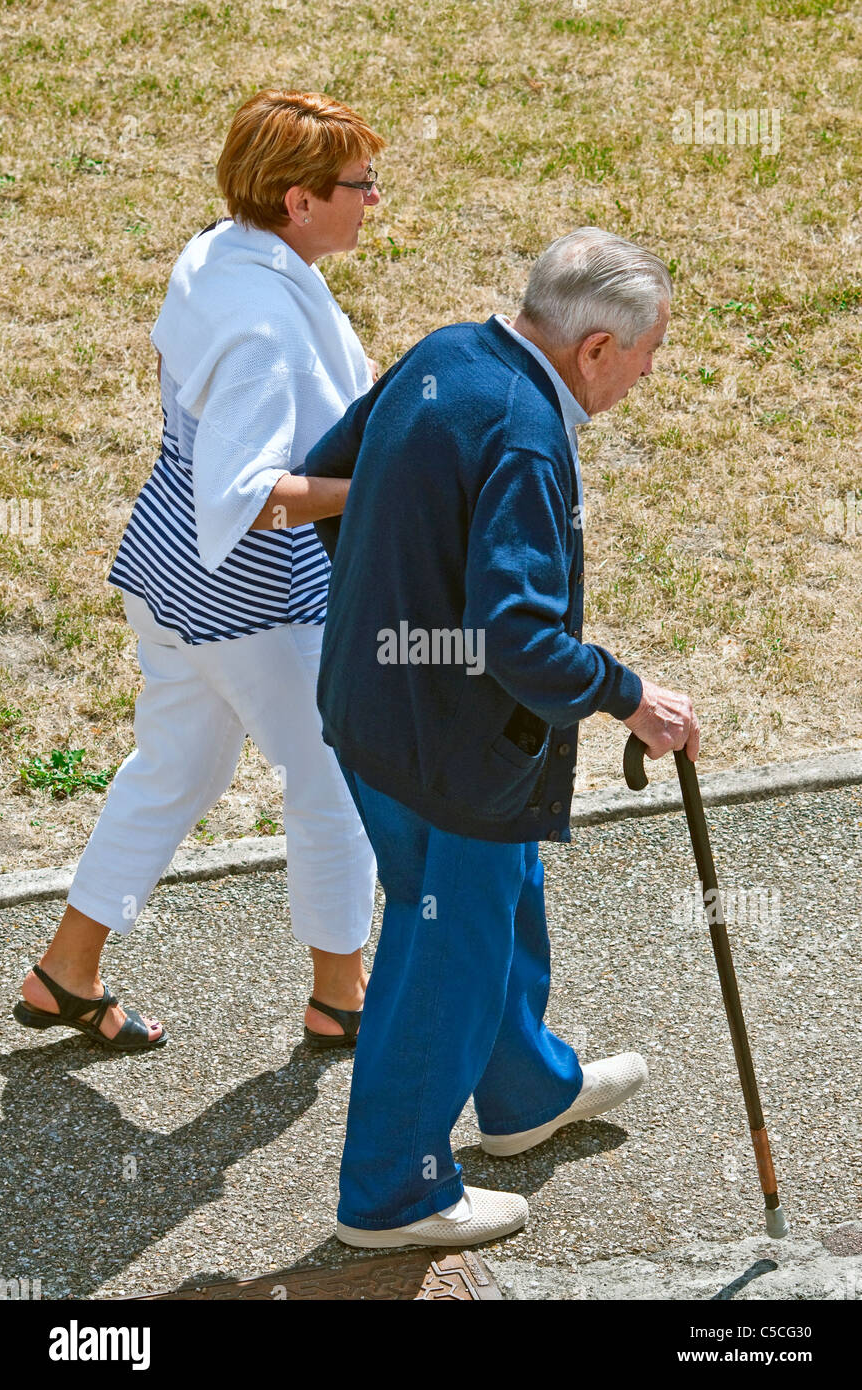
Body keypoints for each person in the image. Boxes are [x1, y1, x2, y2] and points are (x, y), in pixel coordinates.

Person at [303, 226, 700, 1246]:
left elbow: (324, 481)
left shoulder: (444, 353)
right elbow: (515, 634)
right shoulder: (527, 433)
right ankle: (392, 1191)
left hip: (368, 710)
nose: (648, 376)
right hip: (450, 750)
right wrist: (626, 697)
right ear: (595, 348)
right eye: (648, 354)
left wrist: (404, 594)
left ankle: (523, 1090)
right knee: (445, 950)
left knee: (495, 899)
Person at [14, 91, 385, 1052]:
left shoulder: (221, 251)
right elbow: (255, 493)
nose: (373, 200)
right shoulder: (263, 329)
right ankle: (342, 997)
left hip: (166, 569)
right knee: (334, 777)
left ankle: (67, 970)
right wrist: (382, 481)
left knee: (175, 767)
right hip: (252, 599)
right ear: (298, 201)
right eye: (358, 184)